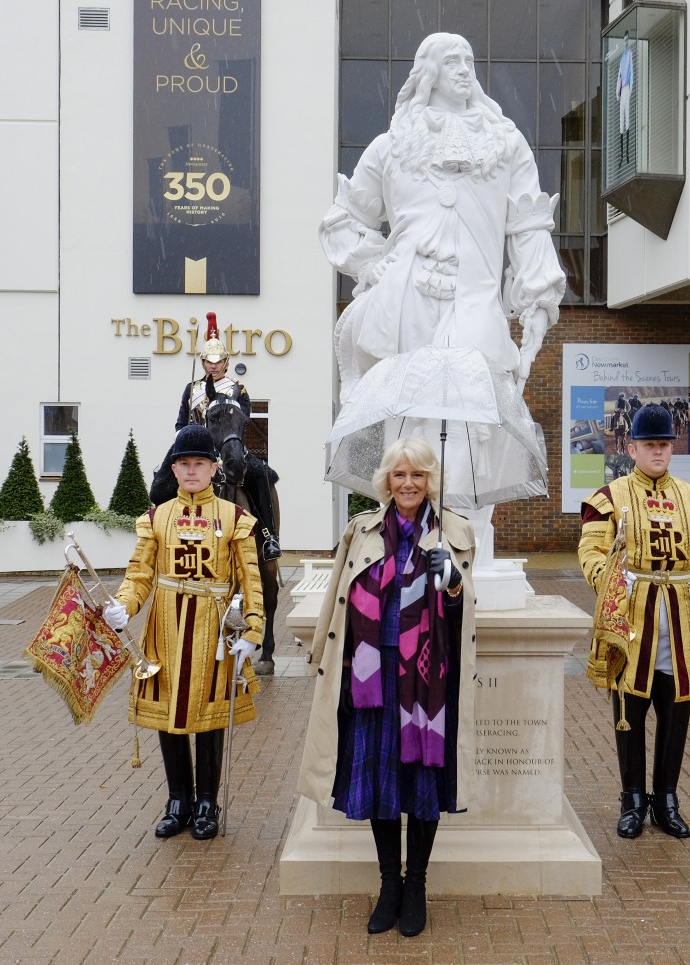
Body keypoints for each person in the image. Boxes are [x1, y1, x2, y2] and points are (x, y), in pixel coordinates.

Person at [318, 32, 567, 400]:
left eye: (469, 61)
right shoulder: (392, 145)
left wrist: (540, 299)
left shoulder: (506, 144)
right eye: (453, 61)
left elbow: (529, 227)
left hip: (477, 297)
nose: (465, 70)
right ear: (429, 71)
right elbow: (341, 221)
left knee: (474, 422)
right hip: (405, 299)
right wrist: (371, 266)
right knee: (407, 418)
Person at [297, 437, 476, 937]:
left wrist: (453, 580)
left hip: (428, 681)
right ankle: (388, 885)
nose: (408, 484)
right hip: (372, 678)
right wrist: (319, 654)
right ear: (386, 482)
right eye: (399, 475)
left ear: (430, 480)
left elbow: (465, 617)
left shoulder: (454, 533)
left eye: (418, 475)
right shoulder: (362, 531)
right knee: (378, 783)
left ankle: (415, 884)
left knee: (420, 783)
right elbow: (338, 597)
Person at [102, 424, 265, 841]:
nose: (191, 471)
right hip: (166, 626)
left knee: (210, 714)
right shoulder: (156, 518)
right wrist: (125, 605)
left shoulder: (236, 519)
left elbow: (250, 580)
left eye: (200, 464)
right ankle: (179, 800)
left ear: (214, 469)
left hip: (214, 629)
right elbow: (139, 575)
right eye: (184, 464)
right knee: (168, 710)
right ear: (174, 470)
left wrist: (253, 629)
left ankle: (208, 801)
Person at [578, 404, 690, 841]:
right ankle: (632, 799)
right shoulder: (609, 498)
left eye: (664, 444)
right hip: (633, 617)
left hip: (681, 618)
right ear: (631, 448)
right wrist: (611, 579)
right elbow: (589, 552)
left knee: (676, 707)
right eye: (649, 445)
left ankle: (666, 800)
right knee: (629, 710)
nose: (658, 451)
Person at [152, 311, 282, 561]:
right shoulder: (192, 389)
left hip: (228, 445)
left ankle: (269, 537)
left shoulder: (237, 387)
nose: (214, 366)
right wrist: (188, 433)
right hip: (197, 444)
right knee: (161, 484)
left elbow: (243, 417)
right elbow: (180, 422)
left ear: (226, 362)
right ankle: (158, 534)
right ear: (203, 363)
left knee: (263, 475)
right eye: (209, 362)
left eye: (218, 361)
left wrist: (225, 405)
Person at [615, 31, 635, 164]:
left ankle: (627, 154)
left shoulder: (629, 55)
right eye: (625, 40)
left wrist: (630, 89)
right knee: (621, 119)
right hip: (622, 90)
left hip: (627, 89)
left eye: (627, 40)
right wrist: (617, 92)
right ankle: (622, 155)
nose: (626, 42)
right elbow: (619, 77)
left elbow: (631, 73)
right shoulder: (622, 57)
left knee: (627, 118)